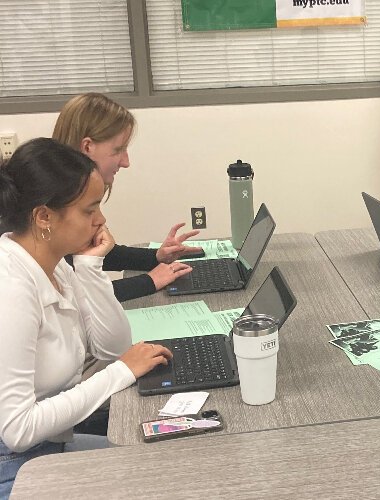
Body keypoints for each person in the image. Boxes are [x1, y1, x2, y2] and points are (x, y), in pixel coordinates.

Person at [0, 138, 173, 496]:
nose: (101, 220)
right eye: (89, 210)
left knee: (166, 466)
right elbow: (17, 430)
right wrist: (120, 373)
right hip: (17, 468)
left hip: (49, 447)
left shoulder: (53, 265)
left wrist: (91, 265)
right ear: (44, 216)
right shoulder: (12, 290)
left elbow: (112, 348)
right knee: (158, 483)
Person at [52, 93, 200, 303]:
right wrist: (148, 281)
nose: (126, 162)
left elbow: (92, 252)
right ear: (87, 147)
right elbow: (68, 298)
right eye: (118, 150)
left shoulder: (73, 190)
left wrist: (156, 257)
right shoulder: (52, 204)